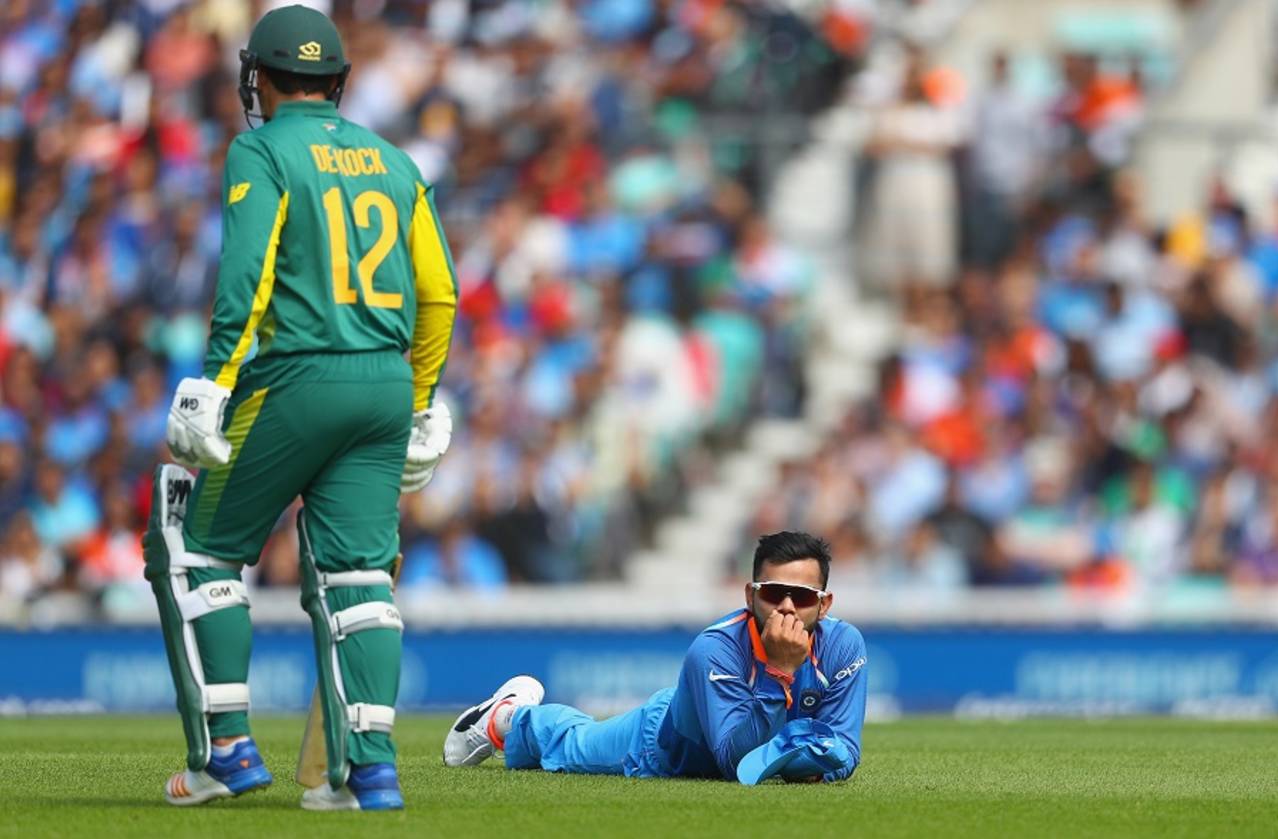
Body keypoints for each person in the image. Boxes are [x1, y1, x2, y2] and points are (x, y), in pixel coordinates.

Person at [144, 5, 458, 811]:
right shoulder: (394, 160)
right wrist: (419, 399)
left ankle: (228, 751)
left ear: (263, 77)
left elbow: (246, 278)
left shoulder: (262, 148)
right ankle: (371, 772)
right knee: (358, 574)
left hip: (297, 376)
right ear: (339, 81)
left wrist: (215, 379)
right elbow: (440, 295)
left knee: (193, 542)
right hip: (386, 384)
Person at [443, 531, 867, 783]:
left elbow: (845, 749)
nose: (788, 609)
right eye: (774, 593)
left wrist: (814, 761)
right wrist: (780, 672)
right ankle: (507, 718)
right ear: (750, 596)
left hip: (708, 741)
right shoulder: (714, 648)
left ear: (825, 605)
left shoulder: (844, 645)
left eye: (803, 597)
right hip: (660, 747)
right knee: (571, 745)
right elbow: (734, 761)